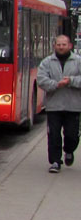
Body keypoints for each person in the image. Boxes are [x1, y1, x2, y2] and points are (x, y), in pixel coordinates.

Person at [36, 34, 81, 172]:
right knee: (54, 134)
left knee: (71, 135)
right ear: (54, 46)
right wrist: (56, 85)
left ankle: (69, 150)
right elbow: (41, 80)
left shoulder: (78, 61)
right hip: (53, 106)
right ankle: (55, 161)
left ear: (70, 46)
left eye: (64, 44)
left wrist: (71, 81)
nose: (61, 47)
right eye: (58, 44)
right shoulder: (47, 62)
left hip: (73, 106)